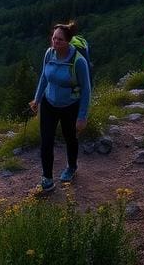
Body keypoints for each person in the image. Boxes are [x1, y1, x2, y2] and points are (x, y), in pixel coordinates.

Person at [29, 21, 92, 194]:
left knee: (70, 138)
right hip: (49, 103)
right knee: (46, 141)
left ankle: (71, 167)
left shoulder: (78, 62)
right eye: (54, 38)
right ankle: (47, 180)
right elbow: (44, 76)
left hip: (70, 105)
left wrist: (82, 116)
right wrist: (37, 99)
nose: (55, 42)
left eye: (60, 40)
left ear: (68, 42)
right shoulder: (49, 54)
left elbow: (86, 89)